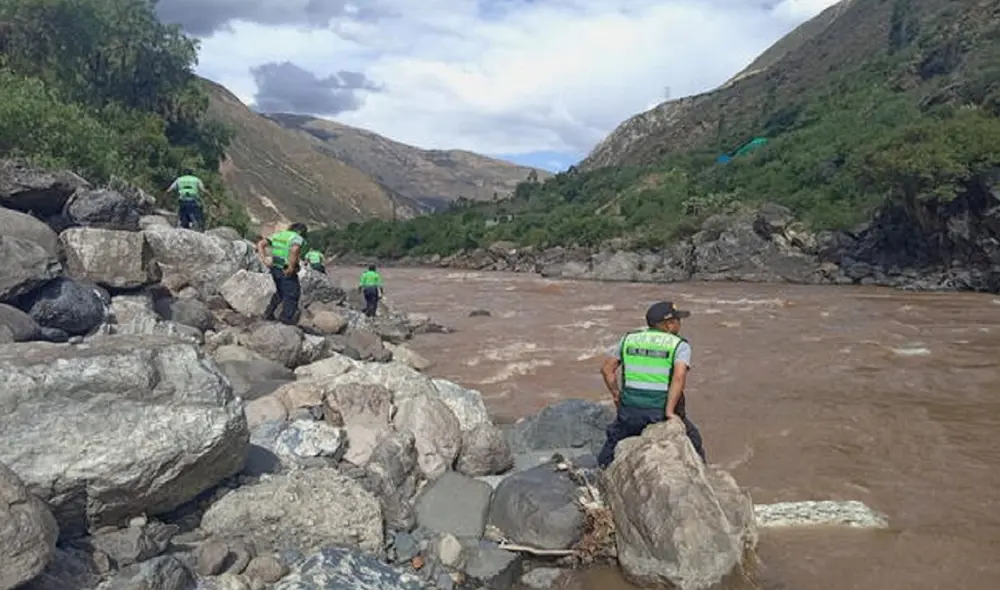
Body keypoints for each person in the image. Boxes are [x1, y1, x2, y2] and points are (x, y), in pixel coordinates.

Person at [596, 301, 706, 467]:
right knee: (694, 439)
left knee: (612, 443)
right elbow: (679, 377)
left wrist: (617, 396)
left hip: (630, 410)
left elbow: (606, 370)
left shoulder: (628, 339)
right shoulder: (678, 345)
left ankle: (601, 471)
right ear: (669, 325)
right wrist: (669, 412)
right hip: (658, 412)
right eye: (678, 320)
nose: (680, 324)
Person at [257, 222, 308, 325]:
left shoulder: (278, 235)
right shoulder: (296, 237)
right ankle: (285, 319)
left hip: (275, 267)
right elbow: (295, 249)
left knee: (280, 292)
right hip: (286, 269)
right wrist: (291, 267)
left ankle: (268, 313)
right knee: (292, 293)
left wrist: (264, 259)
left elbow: (261, 244)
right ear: (301, 232)